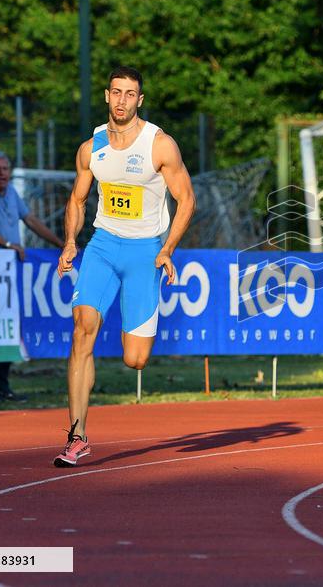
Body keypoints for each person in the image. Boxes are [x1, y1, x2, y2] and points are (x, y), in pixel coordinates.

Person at [54, 67, 196, 466]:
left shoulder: (160, 145)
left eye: (130, 94)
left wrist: (168, 248)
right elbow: (78, 201)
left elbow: (186, 200)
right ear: (106, 95)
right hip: (102, 246)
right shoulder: (91, 147)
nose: (122, 101)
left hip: (144, 252)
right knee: (83, 327)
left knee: (135, 359)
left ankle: (131, 314)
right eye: (116, 93)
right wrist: (69, 242)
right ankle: (76, 435)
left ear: (140, 100)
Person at [0, 150, 64, 402]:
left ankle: (2, 386)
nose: (2, 174)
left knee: (8, 326)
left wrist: (60, 243)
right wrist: (7, 244)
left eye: (5, 169)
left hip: (10, 271)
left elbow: (30, 219)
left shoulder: (11, 192)